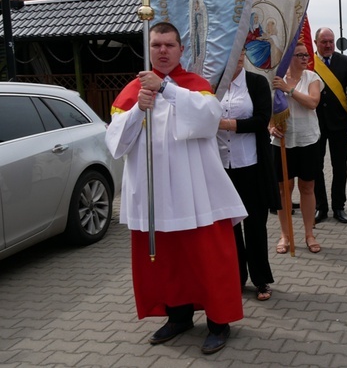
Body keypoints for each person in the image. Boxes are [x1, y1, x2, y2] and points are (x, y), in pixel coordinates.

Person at [105, 22, 247, 355]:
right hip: (156, 196)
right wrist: (138, 108)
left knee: (205, 258)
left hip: (195, 193)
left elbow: (209, 119)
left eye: (169, 45)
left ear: (181, 50)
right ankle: (179, 315)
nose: (163, 51)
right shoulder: (132, 93)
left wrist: (166, 89)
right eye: (156, 45)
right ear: (149, 49)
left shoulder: (194, 87)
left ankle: (218, 323)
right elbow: (116, 142)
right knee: (168, 260)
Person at [217, 49, 281, 302]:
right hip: (221, 166)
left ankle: (260, 278)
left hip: (251, 164)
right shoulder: (212, 84)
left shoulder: (256, 82)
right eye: (234, 52)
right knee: (229, 227)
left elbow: (261, 120)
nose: (239, 56)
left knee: (255, 224)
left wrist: (226, 124)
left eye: (242, 51)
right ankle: (236, 276)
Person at [270, 41, 324, 254]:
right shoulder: (276, 79)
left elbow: (312, 102)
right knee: (284, 189)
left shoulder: (312, 78)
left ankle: (309, 233)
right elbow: (266, 107)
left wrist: (289, 90)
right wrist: (270, 126)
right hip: (282, 140)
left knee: (307, 187)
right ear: (289, 58)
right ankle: (285, 235)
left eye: (306, 55)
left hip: (307, 139)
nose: (305, 58)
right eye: (300, 55)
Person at [312, 27, 347, 224]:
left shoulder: (345, 61)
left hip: (340, 125)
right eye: (324, 42)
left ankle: (339, 206)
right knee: (316, 168)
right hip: (314, 125)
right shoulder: (308, 61)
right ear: (316, 43)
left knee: (340, 167)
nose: (328, 45)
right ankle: (320, 207)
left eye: (331, 41)